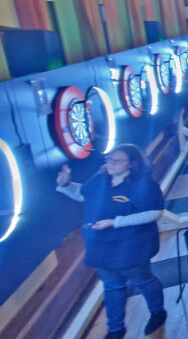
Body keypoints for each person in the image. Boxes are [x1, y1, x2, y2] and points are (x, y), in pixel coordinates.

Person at [55, 145, 166, 339]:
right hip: (101, 247)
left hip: (131, 247)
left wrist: (115, 222)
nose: (111, 164)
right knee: (112, 287)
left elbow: (154, 213)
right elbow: (83, 194)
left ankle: (157, 312)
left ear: (132, 164)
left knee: (143, 281)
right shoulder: (100, 178)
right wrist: (66, 185)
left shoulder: (144, 185)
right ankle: (115, 329)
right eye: (109, 159)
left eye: (117, 160)